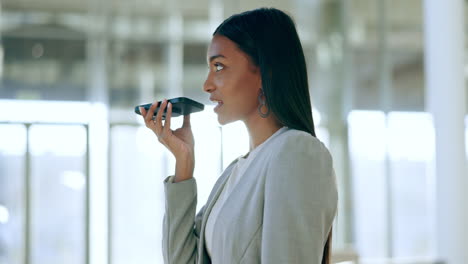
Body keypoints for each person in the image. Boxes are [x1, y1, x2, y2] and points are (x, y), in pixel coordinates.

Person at [140, 7, 338, 264]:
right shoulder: (236, 172)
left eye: (219, 66)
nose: (207, 84)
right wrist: (183, 164)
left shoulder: (297, 151)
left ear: (265, 72)